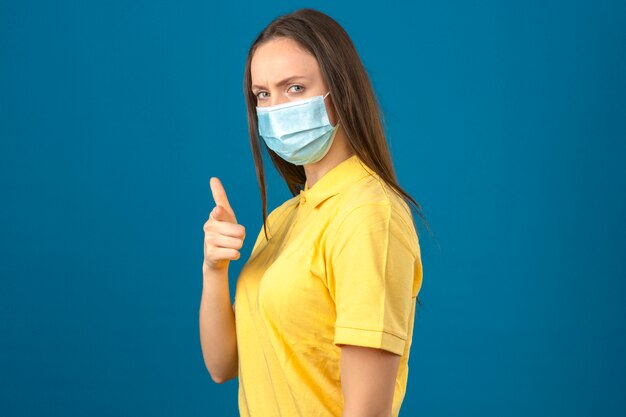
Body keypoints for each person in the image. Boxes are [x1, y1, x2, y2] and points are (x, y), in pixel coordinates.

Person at [199, 8, 425, 417]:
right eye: (263, 94)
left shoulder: (369, 214)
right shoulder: (285, 218)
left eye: (295, 88)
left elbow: (367, 413)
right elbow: (224, 365)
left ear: (340, 90)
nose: (276, 107)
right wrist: (213, 269)